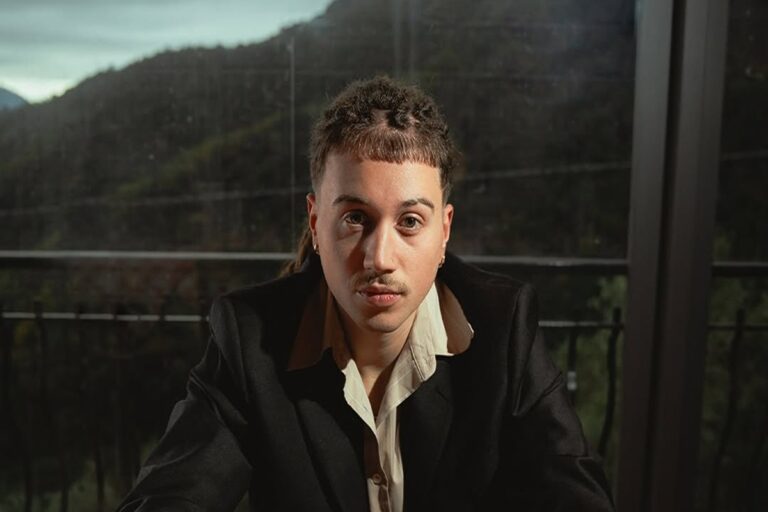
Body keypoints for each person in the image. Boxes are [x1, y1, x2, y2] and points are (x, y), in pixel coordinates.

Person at [117, 76, 614, 511]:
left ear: (444, 231)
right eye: (355, 218)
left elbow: (574, 493)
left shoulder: (503, 329)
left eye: (410, 222)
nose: (379, 258)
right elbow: (173, 494)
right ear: (316, 222)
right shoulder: (249, 340)